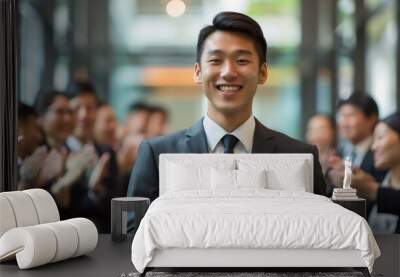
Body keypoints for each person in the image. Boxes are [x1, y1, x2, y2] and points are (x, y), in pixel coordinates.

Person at [127, 11, 327, 201]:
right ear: (197, 72)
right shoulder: (157, 154)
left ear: (263, 73)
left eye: (242, 60)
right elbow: (133, 234)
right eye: (215, 60)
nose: (228, 72)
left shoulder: (299, 156)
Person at [66, 80, 120, 233]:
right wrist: (92, 191)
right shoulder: (61, 153)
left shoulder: (107, 152)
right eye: (77, 108)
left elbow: (115, 202)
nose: (84, 115)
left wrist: (98, 191)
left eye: (90, 108)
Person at [326, 93, 386, 193]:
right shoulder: (339, 153)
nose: (344, 123)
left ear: (371, 118)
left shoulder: (381, 154)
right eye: (341, 116)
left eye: (350, 115)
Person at [351, 112, 400, 233]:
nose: (374, 147)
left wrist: (374, 191)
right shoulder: (378, 179)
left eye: (380, 137)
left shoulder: (375, 186)